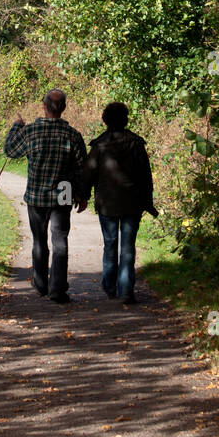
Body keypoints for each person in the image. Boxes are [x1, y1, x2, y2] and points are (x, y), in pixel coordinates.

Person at [4, 89, 87, 304]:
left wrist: (16, 126)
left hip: (37, 194)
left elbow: (10, 150)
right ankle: (57, 289)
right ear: (64, 108)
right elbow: (81, 168)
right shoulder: (73, 135)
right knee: (60, 241)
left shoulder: (31, 131)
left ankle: (40, 284)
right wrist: (82, 194)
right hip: (64, 194)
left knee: (39, 240)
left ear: (44, 106)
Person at [83, 102, 157, 305]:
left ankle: (109, 286)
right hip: (133, 203)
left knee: (110, 244)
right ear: (125, 119)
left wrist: (82, 195)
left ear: (105, 120)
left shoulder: (99, 145)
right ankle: (126, 290)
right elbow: (146, 176)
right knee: (128, 247)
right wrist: (147, 201)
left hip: (107, 204)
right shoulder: (136, 143)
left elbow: (87, 173)